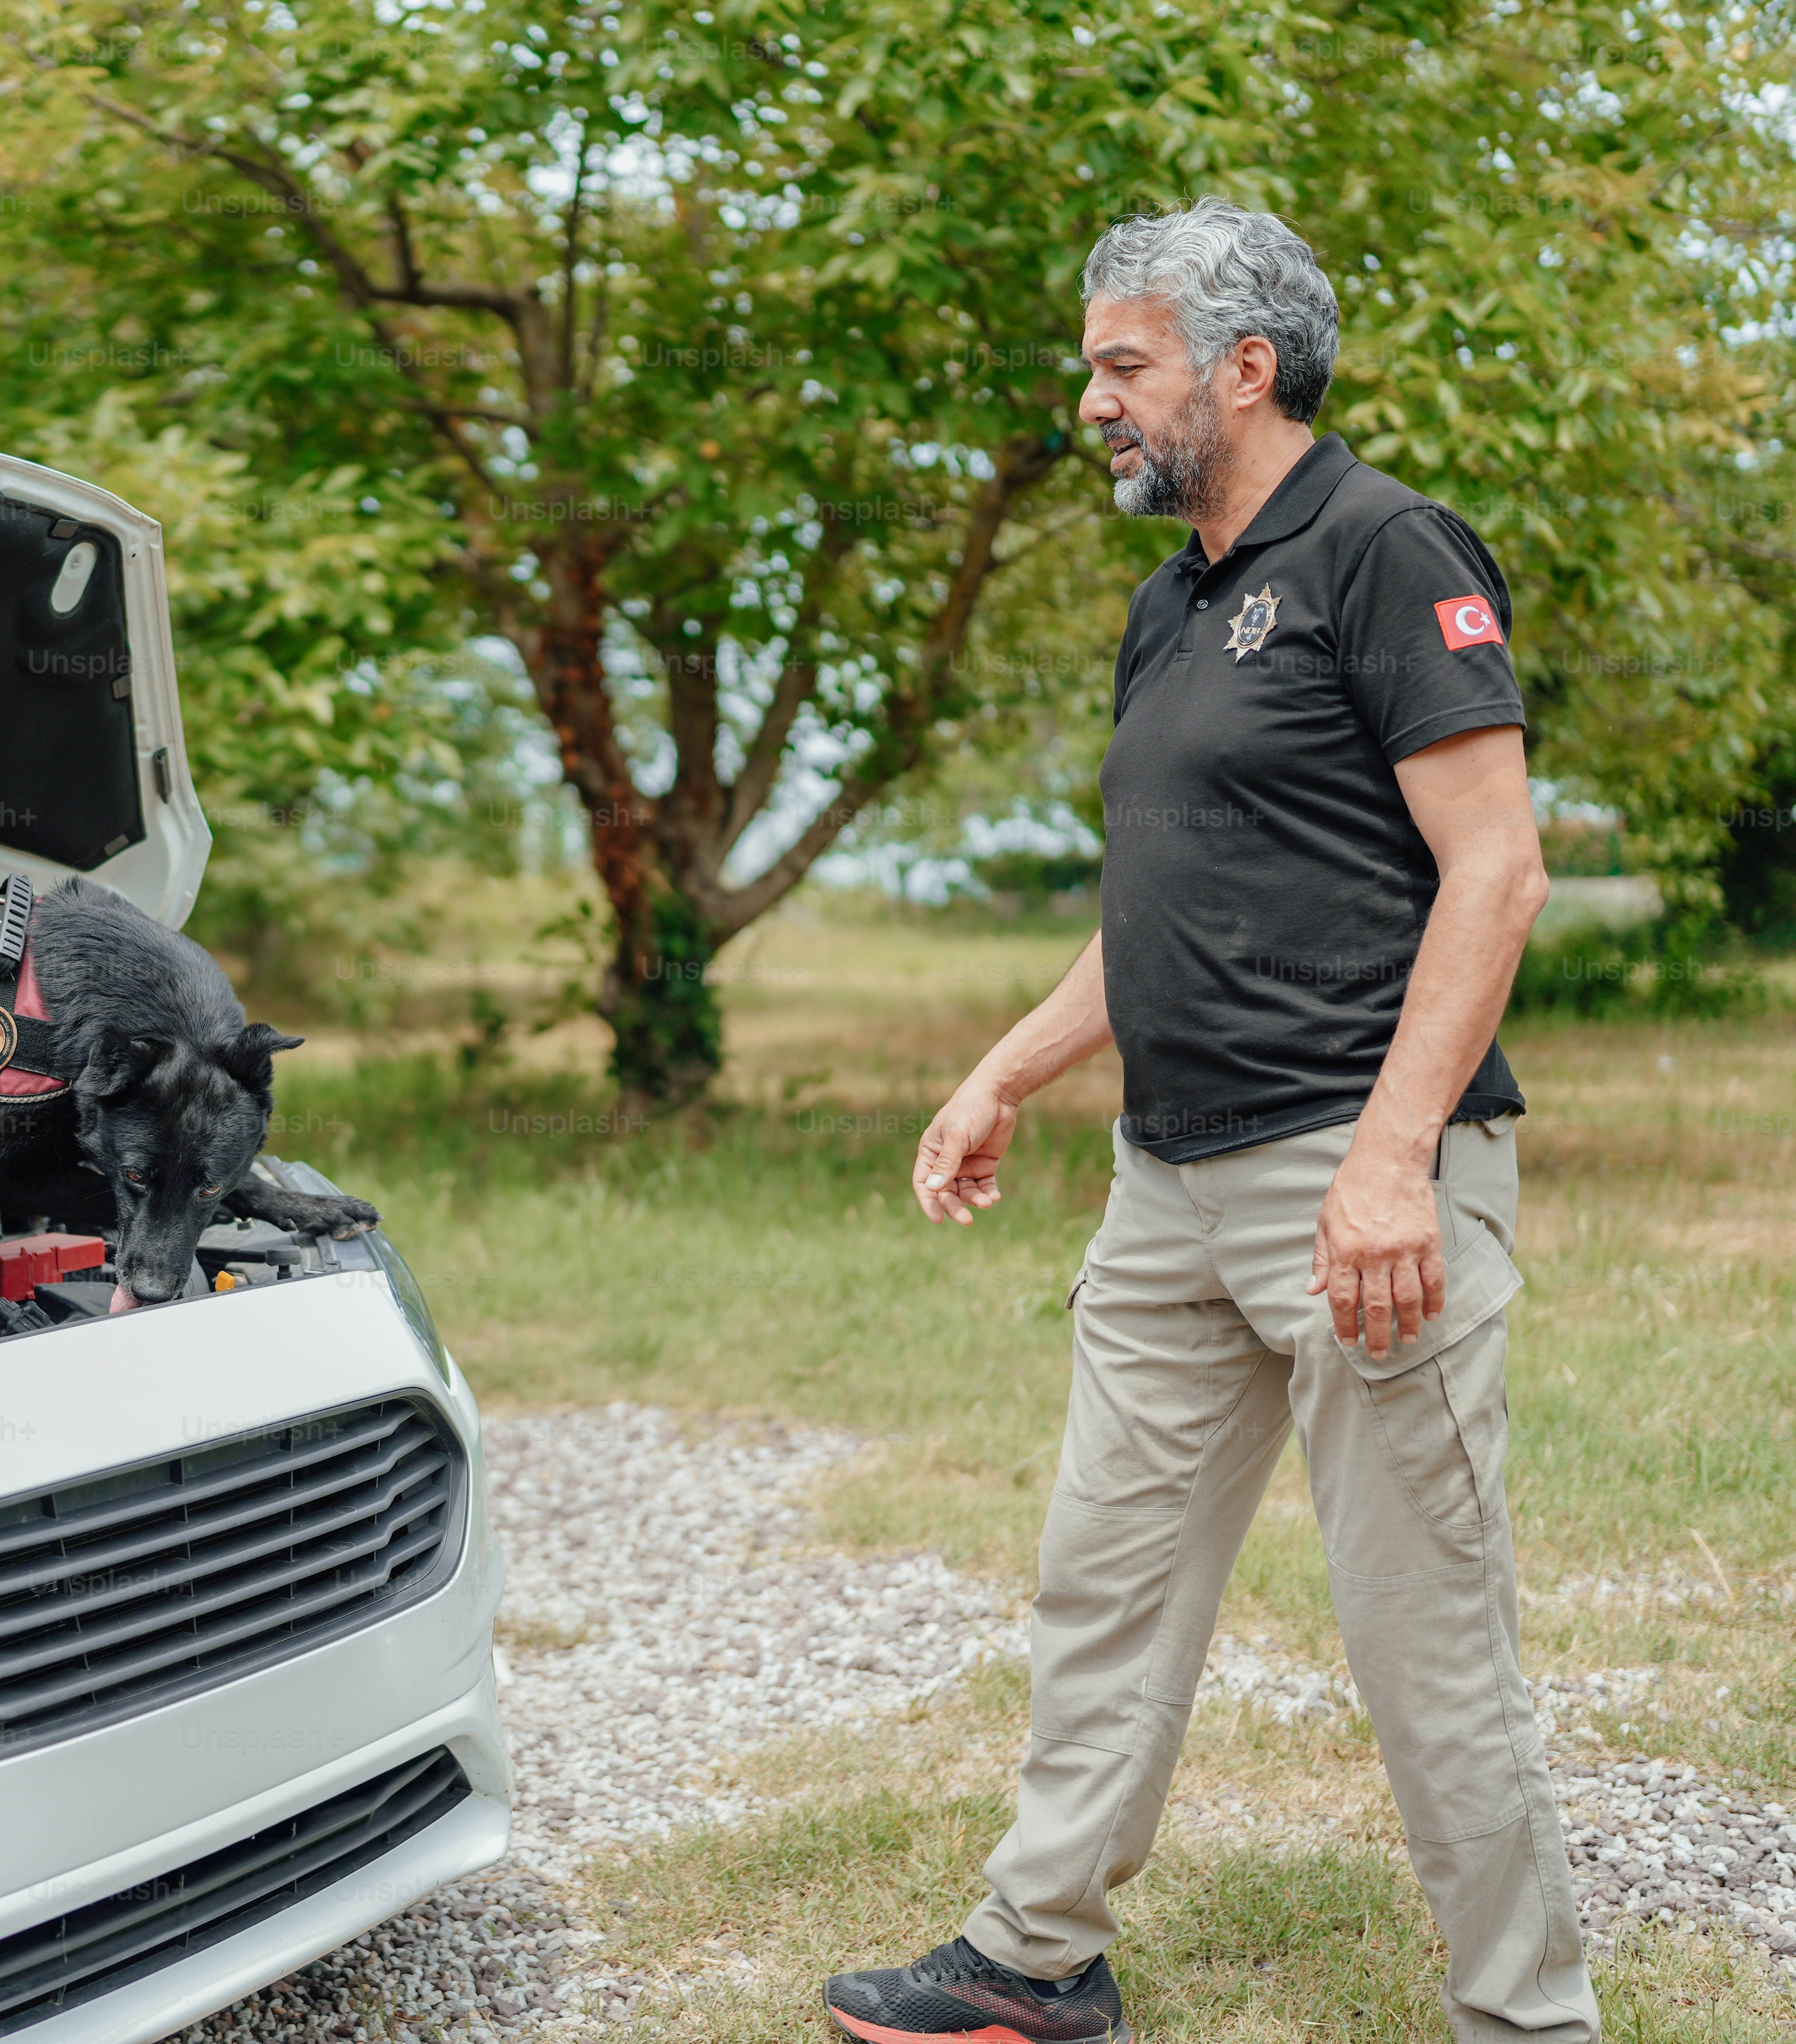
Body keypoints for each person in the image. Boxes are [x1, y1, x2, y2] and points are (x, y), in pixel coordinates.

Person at [821, 198, 1592, 2044]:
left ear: (1246, 369)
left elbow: (1496, 872)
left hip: (1351, 1178)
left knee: (1425, 1639)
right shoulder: (1171, 603)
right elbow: (1161, 902)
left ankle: (1529, 2021)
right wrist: (1008, 1071)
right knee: (1106, 1583)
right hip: (1164, 1182)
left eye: (1124, 363)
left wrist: (1393, 1163)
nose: (1091, 400)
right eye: (1092, 366)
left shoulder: (1386, 548)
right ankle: (1035, 1959)